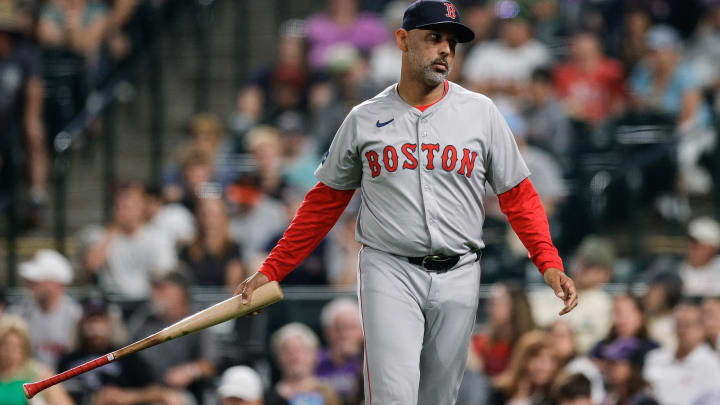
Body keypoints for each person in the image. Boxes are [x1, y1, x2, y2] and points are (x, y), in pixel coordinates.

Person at [236, 2, 577, 404]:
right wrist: (273, 268)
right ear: (402, 39)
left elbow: (518, 196)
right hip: (390, 269)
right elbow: (323, 204)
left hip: (461, 269)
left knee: (438, 398)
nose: (446, 49)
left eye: (451, 41)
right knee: (393, 397)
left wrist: (548, 261)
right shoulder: (364, 118)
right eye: (434, 38)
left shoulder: (481, 113)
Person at [58, 296, 188, 405]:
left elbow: (155, 390)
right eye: (91, 320)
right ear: (81, 324)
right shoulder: (67, 361)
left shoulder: (126, 355)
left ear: (109, 323)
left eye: (100, 320)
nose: (95, 326)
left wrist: (125, 396)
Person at [127, 272, 217, 401]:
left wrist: (190, 370)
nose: (155, 293)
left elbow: (210, 365)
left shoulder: (198, 318)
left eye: (162, 288)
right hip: (145, 390)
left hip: (183, 392)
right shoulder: (146, 317)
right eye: (154, 288)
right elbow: (125, 353)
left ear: (181, 292)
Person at [83, 181, 177, 300]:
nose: (124, 211)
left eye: (129, 207)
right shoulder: (102, 235)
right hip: (111, 299)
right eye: (119, 207)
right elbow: (91, 266)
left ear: (142, 208)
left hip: (145, 300)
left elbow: (165, 272)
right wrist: (113, 230)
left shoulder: (157, 237)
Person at [532, 235, 612, 354]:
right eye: (581, 260)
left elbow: (598, 343)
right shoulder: (547, 293)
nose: (583, 268)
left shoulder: (606, 304)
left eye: (591, 265)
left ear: (606, 274)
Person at [9, 249, 82, 369]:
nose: (29, 284)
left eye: (36, 281)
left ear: (55, 283)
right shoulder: (17, 313)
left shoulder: (77, 315)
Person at [643, 302, 720, 405]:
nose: (684, 330)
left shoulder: (713, 364)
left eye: (689, 324)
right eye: (680, 324)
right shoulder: (654, 357)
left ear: (703, 328)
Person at [553, 31, 626, 125]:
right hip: (575, 126)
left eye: (588, 54)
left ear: (598, 51)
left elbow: (621, 102)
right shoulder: (563, 73)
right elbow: (559, 103)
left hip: (607, 124)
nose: (585, 60)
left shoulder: (613, 70)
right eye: (580, 54)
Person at [0, 315, 74, 405]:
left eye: (16, 346)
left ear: (25, 347)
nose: (10, 352)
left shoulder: (40, 374)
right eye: (5, 346)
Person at [265, 323, 340, 405]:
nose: (295, 357)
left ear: (314, 355)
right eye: (288, 351)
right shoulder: (268, 397)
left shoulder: (329, 393)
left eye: (301, 351)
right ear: (278, 356)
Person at [470, 283, 536, 377]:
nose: (487, 309)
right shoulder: (483, 341)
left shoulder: (531, 343)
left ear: (514, 306)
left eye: (494, 303)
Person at [179, 196, 245, 288]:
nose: (209, 221)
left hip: (223, 299)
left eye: (213, 215)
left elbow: (233, 286)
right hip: (194, 299)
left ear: (223, 218)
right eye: (204, 215)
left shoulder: (233, 248)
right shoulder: (187, 250)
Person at [489, 330, 560, 405]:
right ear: (522, 359)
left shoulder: (556, 395)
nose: (544, 367)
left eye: (551, 359)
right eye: (537, 357)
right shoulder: (501, 391)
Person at [589, 294, 659, 365]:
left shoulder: (652, 349)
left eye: (627, 313)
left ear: (640, 315)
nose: (622, 320)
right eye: (617, 313)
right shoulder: (601, 348)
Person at [316, 298, 364, 402]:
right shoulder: (315, 361)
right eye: (338, 328)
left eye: (351, 328)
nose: (345, 334)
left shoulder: (370, 362)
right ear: (327, 332)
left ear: (362, 331)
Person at [600, 338, 659, 405]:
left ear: (631, 367)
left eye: (614, 363)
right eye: (607, 362)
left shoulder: (645, 401)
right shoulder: (611, 398)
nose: (608, 367)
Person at [678, 216, 720, 296]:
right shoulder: (671, 267)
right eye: (690, 241)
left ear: (713, 248)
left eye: (697, 243)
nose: (691, 246)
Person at [643, 272, 684, 351]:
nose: (649, 296)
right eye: (650, 290)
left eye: (656, 291)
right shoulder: (641, 319)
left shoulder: (676, 325)